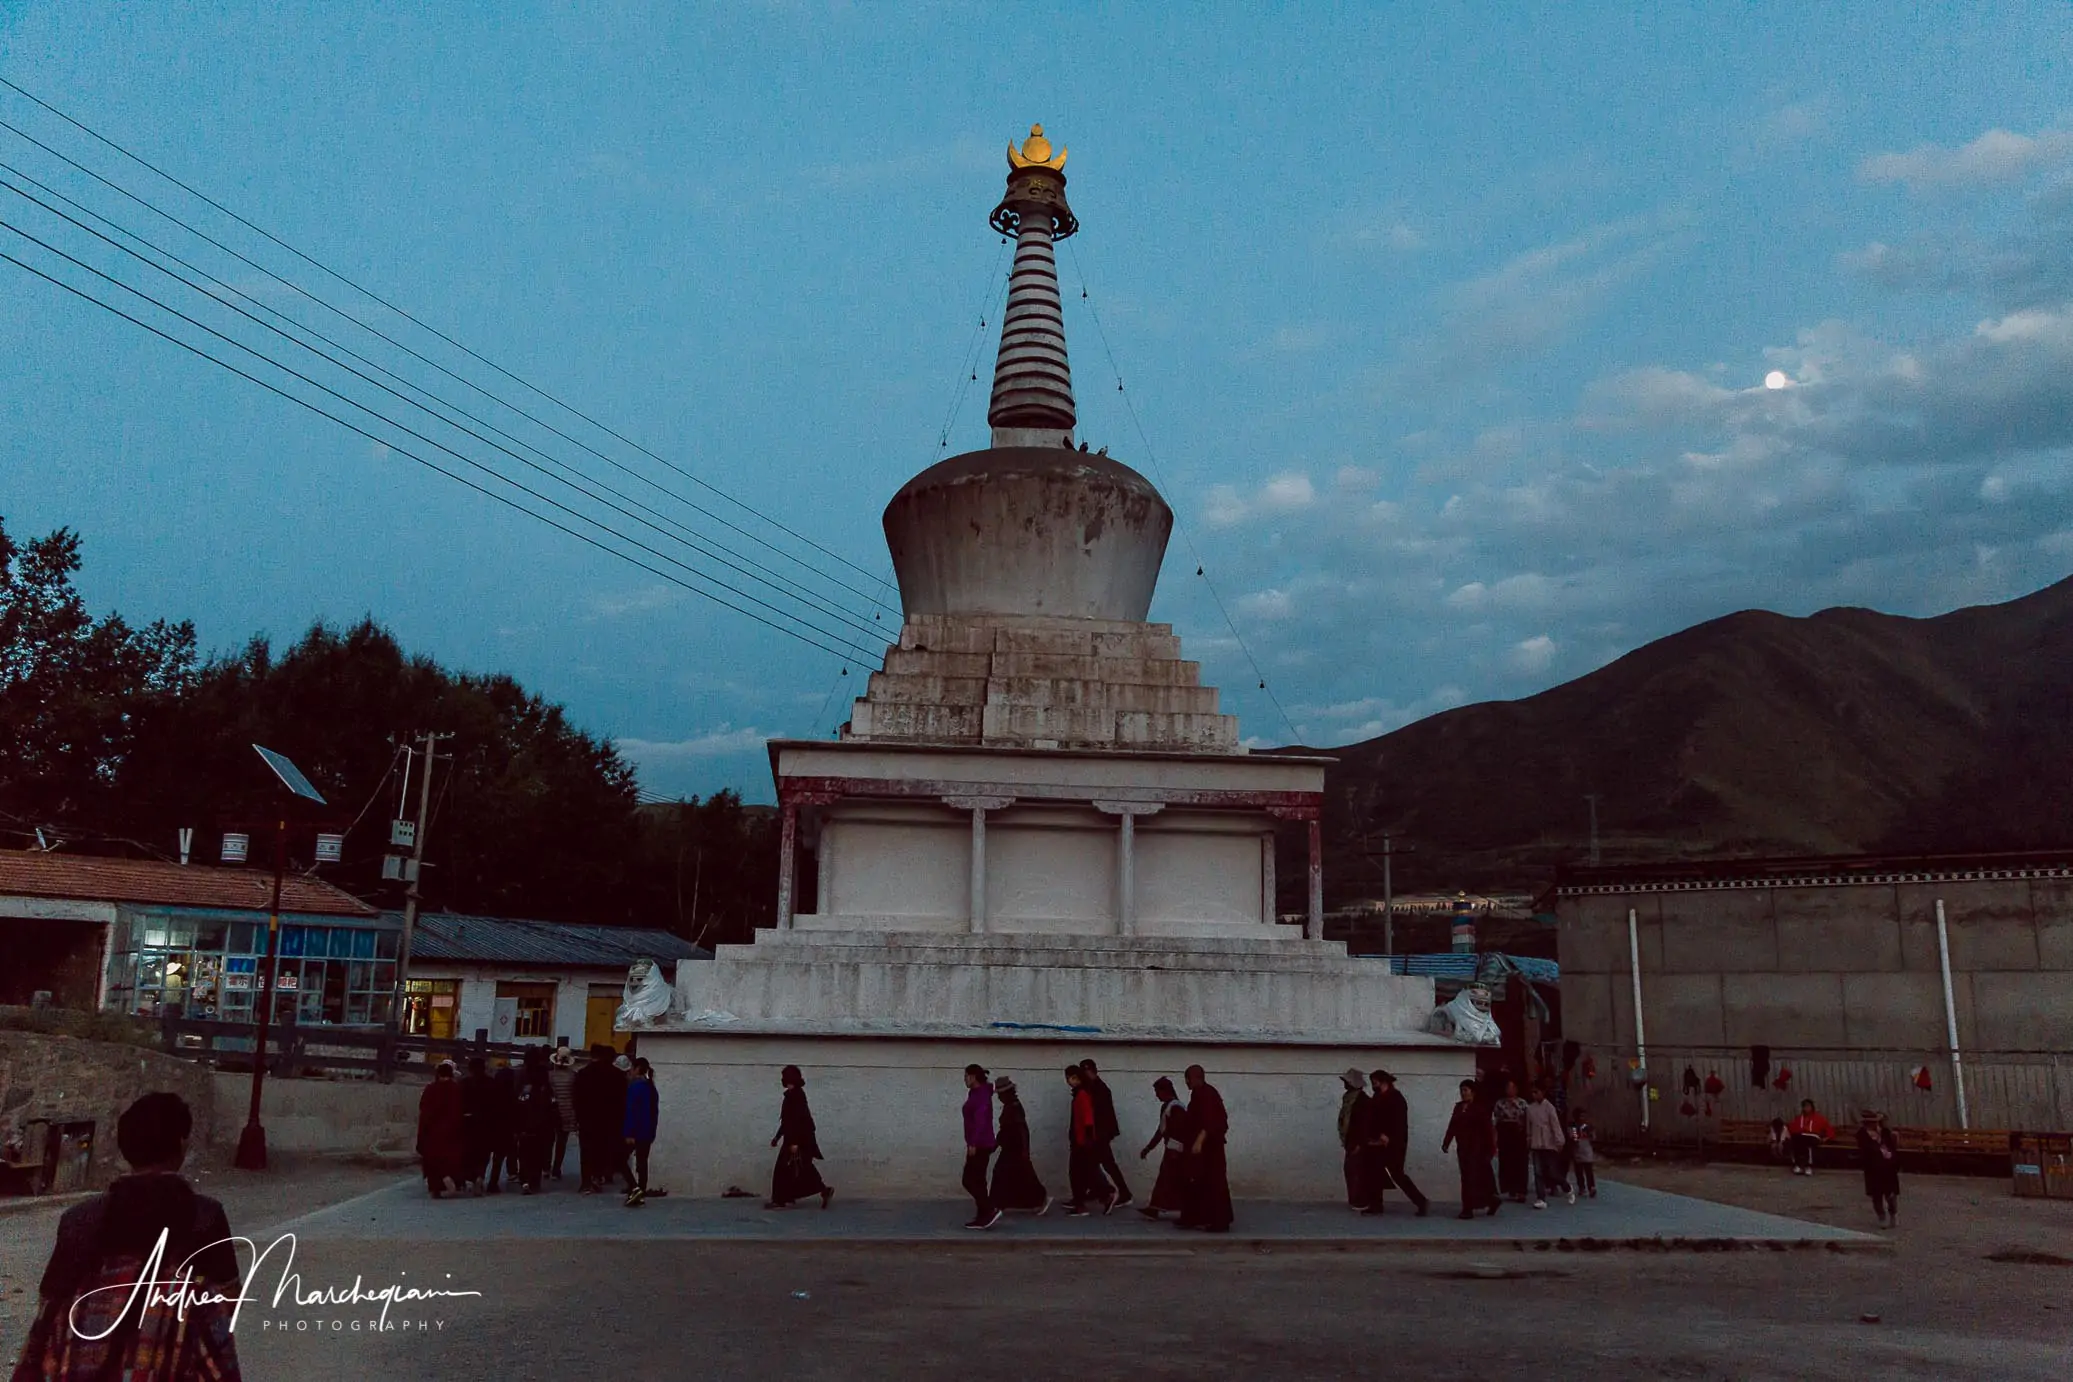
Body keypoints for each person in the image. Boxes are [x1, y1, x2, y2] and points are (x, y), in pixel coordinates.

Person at [12, 1092, 243, 1381]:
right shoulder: (205, 1217)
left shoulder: (78, 1219)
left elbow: (48, 1308)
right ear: (182, 1145)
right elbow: (225, 1308)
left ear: (124, 1147)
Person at [1360, 1069, 1430, 1217]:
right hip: (1376, 1142)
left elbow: (1398, 1122)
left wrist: (1388, 1136)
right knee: (1374, 1173)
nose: (1373, 1085)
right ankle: (1376, 1205)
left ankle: (1421, 1201)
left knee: (1397, 1174)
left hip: (1393, 1144)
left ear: (1384, 1082)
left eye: (1375, 1082)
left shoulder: (1396, 1098)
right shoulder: (1377, 1097)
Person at [1176, 1065, 1233, 1232]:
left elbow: (1211, 1121)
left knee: (1214, 1183)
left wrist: (1199, 1141)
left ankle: (1219, 1222)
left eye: (1187, 1079)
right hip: (1201, 1148)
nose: (1186, 1082)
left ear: (1194, 1078)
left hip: (1210, 1149)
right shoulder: (1199, 1094)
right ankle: (1193, 1217)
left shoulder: (1207, 1094)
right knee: (1195, 1182)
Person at [768, 1064, 834, 1209]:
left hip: (798, 1139)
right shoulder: (794, 1095)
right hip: (797, 1139)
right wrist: (777, 1138)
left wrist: (794, 1142)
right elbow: (787, 1121)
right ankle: (823, 1190)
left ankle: (780, 1200)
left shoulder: (796, 1095)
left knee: (783, 1169)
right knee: (803, 1168)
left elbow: (798, 1120)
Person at [571, 1043, 628, 1195]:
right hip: (608, 1119)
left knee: (586, 1150)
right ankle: (598, 1176)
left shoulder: (583, 1074)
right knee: (602, 1149)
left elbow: (576, 1098)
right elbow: (621, 1100)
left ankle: (586, 1181)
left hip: (587, 1118)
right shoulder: (616, 1074)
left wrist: (577, 1118)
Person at [988, 1076, 1049, 1215]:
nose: (999, 1097)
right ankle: (1038, 1198)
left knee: (1003, 1173)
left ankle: (995, 1205)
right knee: (1020, 1175)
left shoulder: (1013, 1107)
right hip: (1011, 1147)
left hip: (1014, 1148)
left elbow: (1021, 1129)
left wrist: (1025, 1150)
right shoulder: (1010, 1106)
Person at [1077, 1059, 1133, 1208]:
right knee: (1095, 1164)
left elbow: (1100, 1115)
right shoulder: (1094, 1087)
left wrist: (1096, 1135)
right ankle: (1100, 1190)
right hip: (1100, 1133)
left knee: (1103, 1164)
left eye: (1086, 1071)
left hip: (1101, 1134)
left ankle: (1117, 1192)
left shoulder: (1099, 1089)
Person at [1442, 1078, 1500, 1219]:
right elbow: (1453, 1126)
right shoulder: (1458, 1107)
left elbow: (1487, 1130)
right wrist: (1446, 1142)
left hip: (1477, 1149)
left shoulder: (1480, 1109)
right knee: (1466, 1178)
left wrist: (1491, 1149)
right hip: (1463, 1149)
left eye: (1465, 1090)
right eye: (1461, 1090)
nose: (1463, 1093)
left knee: (1474, 1179)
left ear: (1472, 1092)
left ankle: (1468, 1208)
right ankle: (1490, 1201)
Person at [1063, 1065, 1115, 1216]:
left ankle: (1101, 1196)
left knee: (1078, 1174)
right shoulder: (1080, 1094)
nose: (1069, 1081)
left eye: (1071, 1077)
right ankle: (1102, 1196)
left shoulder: (1082, 1095)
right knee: (1086, 1172)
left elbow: (1087, 1120)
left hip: (1082, 1142)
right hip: (1081, 1141)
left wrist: (1086, 1140)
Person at [1138, 1075, 1191, 1220]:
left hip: (1176, 1150)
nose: (1156, 1096)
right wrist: (1149, 1148)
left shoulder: (1176, 1108)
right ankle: (1156, 1208)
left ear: (1165, 1091)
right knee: (1168, 1180)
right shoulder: (1168, 1106)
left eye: (1157, 1092)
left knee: (1171, 1180)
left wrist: (1174, 1150)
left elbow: (1179, 1131)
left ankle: (1160, 1208)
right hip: (1172, 1148)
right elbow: (1161, 1130)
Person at [416, 1059, 467, 1197]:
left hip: (433, 1131)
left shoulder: (431, 1089)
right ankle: (451, 1180)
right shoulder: (457, 1089)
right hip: (452, 1131)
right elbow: (460, 1110)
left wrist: (422, 1133)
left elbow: (424, 1110)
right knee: (452, 1158)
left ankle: (436, 1187)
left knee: (433, 1157)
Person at [514, 1046, 560, 1195]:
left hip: (525, 1118)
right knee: (538, 1152)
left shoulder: (521, 1075)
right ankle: (535, 1180)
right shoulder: (543, 1075)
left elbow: (516, 1097)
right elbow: (551, 1099)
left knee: (524, 1152)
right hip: (542, 1119)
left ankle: (525, 1179)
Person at [960, 1064, 1001, 1229]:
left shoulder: (981, 1095)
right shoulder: (978, 1092)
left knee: (969, 1180)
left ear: (972, 1077)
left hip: (981, 1144)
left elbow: (980, 1121)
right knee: (978, 1180)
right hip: (979, 1143)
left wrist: (973, 1143)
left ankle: (989, 1209)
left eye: (966, 1076)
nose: (964, 1079)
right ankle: (983, 1214)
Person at [620, 1057, 660, 1206]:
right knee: (642, 1162)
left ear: (636, 1069)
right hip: (647, 1131)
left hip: (635, 1131)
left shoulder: (635, 1087)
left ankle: (634, 1187)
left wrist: (628, 1132)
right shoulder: (651, 1088)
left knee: (620, 1160)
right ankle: (641, 1191)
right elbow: (654, 1112)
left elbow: (631, 1111)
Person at [1523, 1083, 1566, 1210]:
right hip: (1536, 1143)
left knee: (1551, 1171)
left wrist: (1559, 1141)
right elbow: (1529, 1127)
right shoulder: (1530, 1109)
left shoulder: (1549, 1108)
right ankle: (1540, 1197)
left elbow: (1555, 1125)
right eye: (1533, 1093)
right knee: (1538, 1171)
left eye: (1537, 1092)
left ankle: (1564, 1184)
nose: (1534, 1095)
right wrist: (1528, 1139)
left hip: (1548, 1143)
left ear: (1542, 1092)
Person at [1857, 1109, 1901, 1228]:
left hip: (1888, 1167)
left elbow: (1893, 1147)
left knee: (1891, 1194)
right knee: (1876, 1195)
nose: (1873, 1124)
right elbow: (1865, 1150)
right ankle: (1881, 1216)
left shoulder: (1885, 1132)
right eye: (1870, 1122)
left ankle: (1893, 1214)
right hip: (1873, 1167)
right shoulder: (1862, 1134)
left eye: (1875, 1122)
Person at [1491, 1077, 1530, 1203]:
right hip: (1505, 1134)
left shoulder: (1523, 1103)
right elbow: (1495, 1120)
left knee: (1521, 1162)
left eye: (1512, 1087)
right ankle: (1510, 1188)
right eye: (1508, 1087)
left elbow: (1527, 1120)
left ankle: (1521, 1191)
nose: (1510, 1090)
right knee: (1507, 1162)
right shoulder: (1500, 1103)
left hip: (1519, 1134)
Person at [1336, 1068, 1369, 1210]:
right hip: (1350, 1141)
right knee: (1350, 1170)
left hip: (1357, 1142)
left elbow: (1364, 1124)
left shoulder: (1362, 1101)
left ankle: (1360, 1201)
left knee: (1356, 1171)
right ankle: (1355, 1199)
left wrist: (1360, 1144)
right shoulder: (1349, 1098)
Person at [547, 1044, 580, 1179]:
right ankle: (556, 1168)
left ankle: (545, 1166)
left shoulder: (550, 1076)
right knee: (562, 1142)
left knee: (549, 1141)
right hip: (567, 1112)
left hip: (552, 1111)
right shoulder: (573, 1076)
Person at [1786, 1099, 1834, 1176]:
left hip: (1813, 1136)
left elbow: (1829, 1130)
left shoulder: (1819, 1118)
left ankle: (1808, 1166)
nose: (1806, 1108)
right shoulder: (1798, 1118)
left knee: (1807, 1143)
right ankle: (1798, 1165)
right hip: (1801, 1137)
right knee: (1796, 1141)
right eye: (1804, 1106)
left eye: (1808, 1106)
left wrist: (1826, 1138)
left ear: (1812, 1107)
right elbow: (1792, 1129)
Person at [1567, 1108, 1598, 1202]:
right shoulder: (1573, 1127)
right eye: (1581, 1116)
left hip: (1587, 1149)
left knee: (1589, 1170)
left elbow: (1593, 1138)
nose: (1583, 1118)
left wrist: (1591, 1135)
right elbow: (1573, 1138)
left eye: (1584, 1116)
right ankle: (1581, 1187)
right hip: (1578, 1151)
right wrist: (1575, 1138)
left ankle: (1591, 1187)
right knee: (1579, 1171)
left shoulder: (1588, 1127)